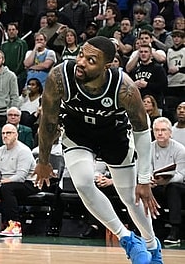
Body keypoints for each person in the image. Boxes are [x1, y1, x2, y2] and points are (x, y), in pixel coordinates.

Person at [35, 36, 163, 264]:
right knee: (83, 182)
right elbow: (48, 121)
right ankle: (127, 239)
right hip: (78, 134)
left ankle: (152, 245)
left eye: (91, 60)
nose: (81, 62)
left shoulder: (124, 87)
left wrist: (144, 179)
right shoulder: (59, 77)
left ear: (108, 66)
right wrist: (43, 160)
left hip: (114, 136)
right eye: (81, 55)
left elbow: (143, 131)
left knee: (130, 198)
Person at [150, 117, 185, 245]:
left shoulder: (180, 149)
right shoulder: (149, 148)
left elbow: (181, 175)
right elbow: (146, 169)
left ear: (170, 132)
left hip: (178, 186)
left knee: (173, 188)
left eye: (163, 130)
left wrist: (165, 181)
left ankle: (175, 230)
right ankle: (154, 228)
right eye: (157, 130)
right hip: (158, 184)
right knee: (147, 188)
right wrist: (150, 180)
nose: (160, 133)